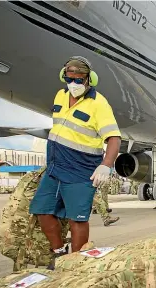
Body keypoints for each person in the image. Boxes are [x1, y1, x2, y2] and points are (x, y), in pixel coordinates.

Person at [29, 56, 122, 269]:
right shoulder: (60, 96)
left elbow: (114, 139)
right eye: (70, 79)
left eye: (79, 80)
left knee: (77, 219)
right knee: (42, 210)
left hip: (81, 171)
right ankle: (59, 253)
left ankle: (76, 263)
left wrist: (106, 165)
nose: (74, 84)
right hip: (55, 168)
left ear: (89, 80)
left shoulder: (99, 104)